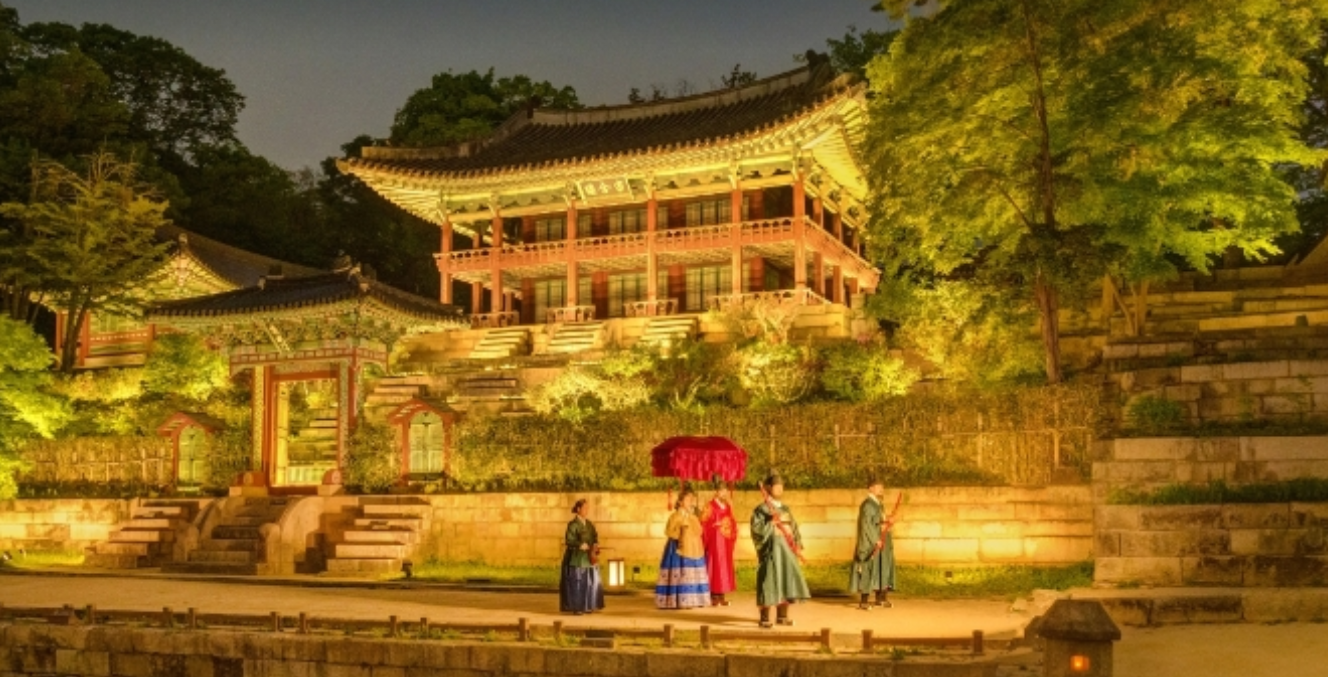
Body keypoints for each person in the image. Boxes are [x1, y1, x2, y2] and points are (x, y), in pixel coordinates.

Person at [750, 472, 810, 628]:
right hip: (772, 550)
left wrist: (797, 543)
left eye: (781, 486)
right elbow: (756, 530)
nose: (779, 489)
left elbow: (794, 528)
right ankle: (764, 618)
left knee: (786, 579)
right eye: (776, 486)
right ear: (768, 488)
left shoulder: (785, 509)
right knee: (769, 581)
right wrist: (770, 523)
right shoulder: (761, 509)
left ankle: (782, 616)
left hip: (787, 550)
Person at [655, 488, 710, 609]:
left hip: (694, 548)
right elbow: (669, 531)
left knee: (693, 572)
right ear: (680, 502)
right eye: (687, 499)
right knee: (679, 573)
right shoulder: (675, 516)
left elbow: (699, 531)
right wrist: (681, 529)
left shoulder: (693, 517)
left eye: (692, 499)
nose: (690, 502)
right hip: (678, 548)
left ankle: (695, 599)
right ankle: (677, 600)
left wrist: (694, 521)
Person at [849, 476, 898, 610]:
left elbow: (879, 521)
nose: (881, 489)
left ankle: (881, 598)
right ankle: (864, 601)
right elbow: (866, 525)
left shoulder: (879, 504)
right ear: (870, 488)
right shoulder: (867, 505)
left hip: (882, 539)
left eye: (882, 487)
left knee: (882, 567)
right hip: (871, 542)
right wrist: (875, 540)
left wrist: (888, 521)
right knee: (868, 569)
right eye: (878, 487)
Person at [559, 498, 605, 615]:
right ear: (578, 509)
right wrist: (579, 545)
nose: (586, 510)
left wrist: (595, 544)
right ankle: (577, 607)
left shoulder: (589, 524)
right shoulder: (573, 524)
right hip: (577, 558)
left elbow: (594, 536)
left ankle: (589, 605)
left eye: (587, 508)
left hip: (589, 557)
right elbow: (569, 540)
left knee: (591, 582)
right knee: (578, 583)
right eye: (584, 508)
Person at [700, 481, 738, 606]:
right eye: (722, 491)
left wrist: (729, 522)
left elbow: (732, 522)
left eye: (725, 491)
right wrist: (714, 525)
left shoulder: (727, 506)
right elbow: (703, 523)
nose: (724, 493)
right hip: (714, 540)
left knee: (724, 567)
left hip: (725, 540)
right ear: (716, 491)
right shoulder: (709, 506)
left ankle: (721, 595)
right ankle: (713, 595)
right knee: (714, 566)